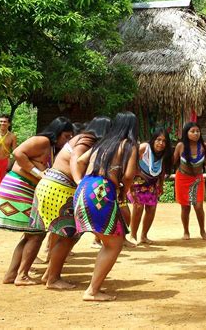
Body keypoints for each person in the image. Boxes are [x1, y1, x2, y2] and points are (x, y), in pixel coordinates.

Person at [0, 117, 73, 285]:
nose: (68, 140)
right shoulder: (42, 140)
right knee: (36, 233)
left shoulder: (50, 147)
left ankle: (12, 274)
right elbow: (18, 153)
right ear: (57, 133)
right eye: (66, 136)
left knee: (31, 234)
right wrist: (37, 173)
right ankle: (21, 275)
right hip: (20, 186)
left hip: (24, 187)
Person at [30, 116, 112, 289]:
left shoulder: (81, 139)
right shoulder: (86, 140)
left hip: (53, 186)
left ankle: (49, 274)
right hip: (60, 189)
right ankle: (53, 279)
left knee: (63, 235)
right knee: (69, 235)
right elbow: (76, 159)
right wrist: (79, 181)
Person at [73, 111, 138, 301]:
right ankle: (92, 291)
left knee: (111, 241)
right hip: (101, 190)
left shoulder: (103, 143)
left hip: (84, 187)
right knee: (114, 244)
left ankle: (94, 288)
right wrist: (123, 191)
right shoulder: (129, 145)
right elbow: (128, 175)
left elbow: (80, 160)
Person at [128, 128, 172, 245]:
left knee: (151, 209)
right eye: (158, 140)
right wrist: (136, 173)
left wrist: (161, 185)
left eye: (164, 141)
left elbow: (162, 170)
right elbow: (130, 159)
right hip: (136, 183)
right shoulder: (144, 148)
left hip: (151, 183)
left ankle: (144, 236)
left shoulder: (164, 154)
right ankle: (133, 235)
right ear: (153, 140)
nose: (161, 143)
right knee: (138, 207)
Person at [173, 122, 206, 240]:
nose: (196, 134)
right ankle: (186, 231)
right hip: (182, 178)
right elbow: (173, 161)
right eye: (192, 131)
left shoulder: (203, 146)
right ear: (187, 133)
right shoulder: (180, 146)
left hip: (197, 179)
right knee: (185, 207)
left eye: (197, 131)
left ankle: (202, 231)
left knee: (199, 206)